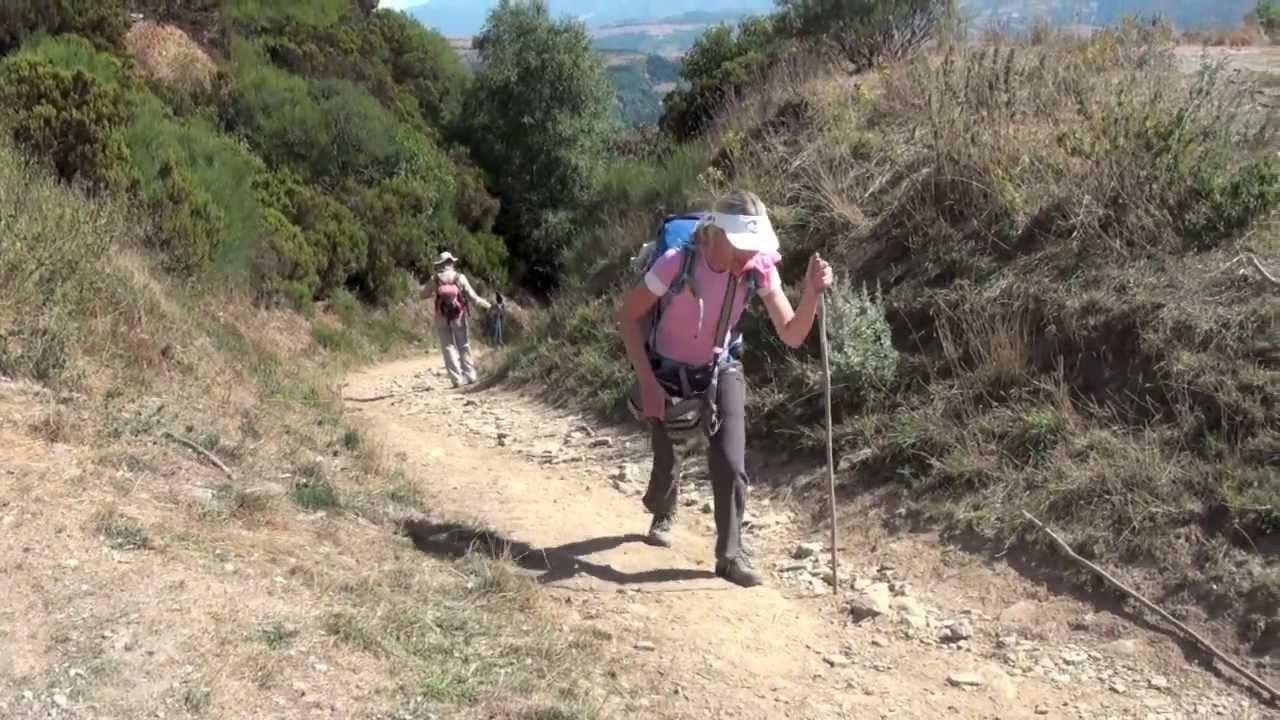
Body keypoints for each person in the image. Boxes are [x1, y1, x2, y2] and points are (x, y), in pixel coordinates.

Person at [614, 191, 834, 587]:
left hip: (720, 367)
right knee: (667, 457)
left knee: (731, 463)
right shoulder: (676, 263)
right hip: (665, 370)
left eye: (753, 249)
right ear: (715, 234)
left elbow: (792, 333)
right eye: (740, 247)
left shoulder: (758, 268)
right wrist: (647, 381)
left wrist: (812, 294)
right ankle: (664, 507)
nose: (747, 258)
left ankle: (730, 556)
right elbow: (628, 318)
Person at [425, 251, 491, 388]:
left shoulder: (435, 279)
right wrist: (488, 305)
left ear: (440, 264)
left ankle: (456, 380)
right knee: (464, 344)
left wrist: (433, 292)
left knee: (448, 346)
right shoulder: (460, 277)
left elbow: (422, 294)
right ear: (452, 263)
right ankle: (470, 375)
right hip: (458, 315)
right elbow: (473, 297)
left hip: (441, 315)